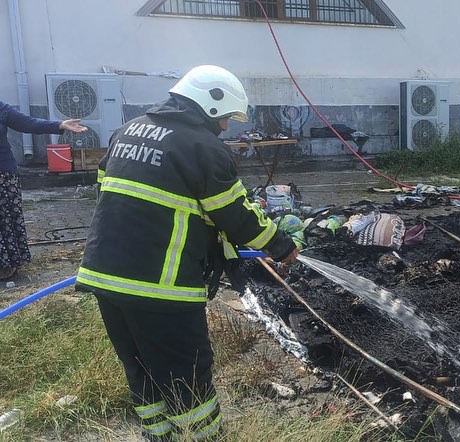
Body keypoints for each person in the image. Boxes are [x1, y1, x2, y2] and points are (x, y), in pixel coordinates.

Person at [76, 65, 300, 441]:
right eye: (227, 117)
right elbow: (236, 215)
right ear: (211, 106)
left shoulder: (126, 131)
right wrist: (281, 246)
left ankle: (159, 435)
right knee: (189, 372)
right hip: (160, 285)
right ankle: (206, 436)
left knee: (140, 366)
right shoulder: (202, 147)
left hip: (104, 276)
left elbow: (108, 195)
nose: (227, 127)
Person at [0, 101, 88, 280]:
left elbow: (28, 123)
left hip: (3, 175)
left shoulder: (1, 109)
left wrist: (59, 125)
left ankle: (7, 265)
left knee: (5, 219)